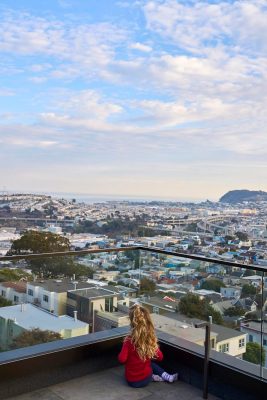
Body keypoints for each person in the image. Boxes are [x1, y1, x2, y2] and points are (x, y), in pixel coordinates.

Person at [118, 304, 178, 388]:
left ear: (132, 322)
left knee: (140, 363)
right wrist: (148, 353)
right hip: (146, 379)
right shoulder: (149, 339)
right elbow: (160, 357)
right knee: (149, 363)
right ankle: (166, 376)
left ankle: (156, 377)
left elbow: (121, 359)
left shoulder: (128, 340)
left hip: (132, 381)